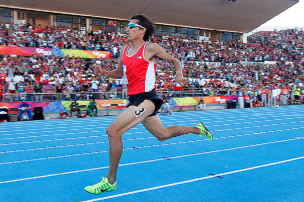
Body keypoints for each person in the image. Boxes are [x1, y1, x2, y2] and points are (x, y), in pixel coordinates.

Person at [84, 14, 213, 195]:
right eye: (127, 26)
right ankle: (198, 129)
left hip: (147, 99)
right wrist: (104, 72)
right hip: (134, 100)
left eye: (130, 26)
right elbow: (120, 73)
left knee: (113, 131)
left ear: (142, 30)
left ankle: (110, 180)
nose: (127, 29)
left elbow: (175, 60)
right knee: (163, 134)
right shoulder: (124, 50)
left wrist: (178, 74)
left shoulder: (150, 47)